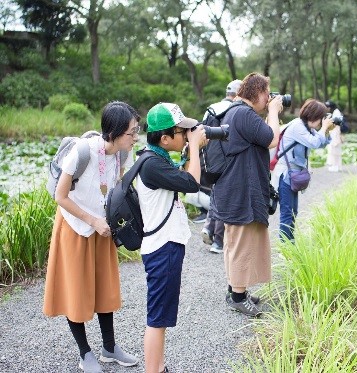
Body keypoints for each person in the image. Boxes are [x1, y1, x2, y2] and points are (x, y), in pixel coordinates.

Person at [43, 101, 140, 373]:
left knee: (104, 288)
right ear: (115, 132)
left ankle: (109, 348)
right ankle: (84, 352)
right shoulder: (82, 152)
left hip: (102, 229)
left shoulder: (122, 154)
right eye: (131, 132)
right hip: (75, 228)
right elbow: (60, 196)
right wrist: (92, 220)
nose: (135, 137)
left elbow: (116, 188)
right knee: (77, 290)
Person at [136, 102, 206, 373]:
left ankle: (159, 367)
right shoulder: (153, 165)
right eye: (182, 131)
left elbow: (184, 176)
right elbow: (191, 183)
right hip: (162, 248)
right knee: (157, 318)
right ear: (164, 138)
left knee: (160, 316)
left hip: (164, 246)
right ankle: (154, 370)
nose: (187, 134)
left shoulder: (155, 158)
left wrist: (190, 148)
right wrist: (196, 149)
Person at [212, 72, 283, 317]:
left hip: (233, 188)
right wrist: (273, 111)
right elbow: (272, 140)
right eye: (267, 94)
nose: (269, 99)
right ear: (258, 93)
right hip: (240, 190)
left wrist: (270, 112)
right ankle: (239, 298)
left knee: (235, 242)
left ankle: (235, 289)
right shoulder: (244, 113)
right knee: (240, 244)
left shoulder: (234, 112)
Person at [277, 99, 334, 243]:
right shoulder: (298, 126)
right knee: (287, 213)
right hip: (286, 175)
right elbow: (314, 143)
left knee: (293, 212)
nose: (322, 121)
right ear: (314, 116)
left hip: (294, 174)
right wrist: (323, 129)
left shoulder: (307, 127)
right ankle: (286, 248)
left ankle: (290, 244)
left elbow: (321, 143)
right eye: (321, 117)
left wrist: (326, 131)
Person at [201, 79, 242, 254]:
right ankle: (218, 240)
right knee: (225, 196)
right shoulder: (235, 111)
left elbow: (201, 132)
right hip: (227, 159)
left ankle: (209, 227)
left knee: (216, 192)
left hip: (209, 158)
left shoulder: (211, 107)